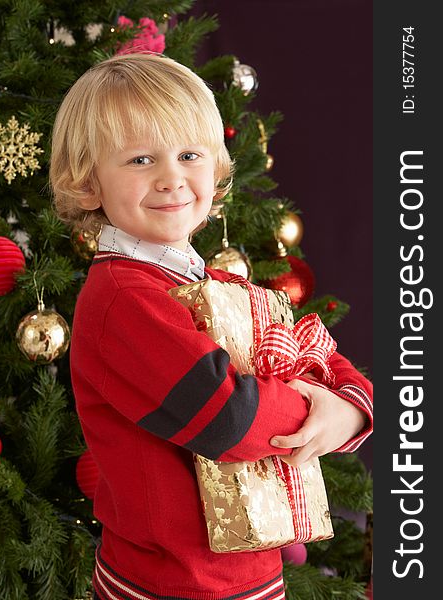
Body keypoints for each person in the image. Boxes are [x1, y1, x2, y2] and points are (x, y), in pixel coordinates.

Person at [50, 53, 373, 600]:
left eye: (188, 155)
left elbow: (316, 356)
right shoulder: (124, 299)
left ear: (216, 169)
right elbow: (227, 416)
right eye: (140, 160)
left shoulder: (221, 287)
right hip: (171, 582)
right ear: (87, 185)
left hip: (249, 573)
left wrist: (349, 406)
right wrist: (316, 407)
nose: (171, 178)